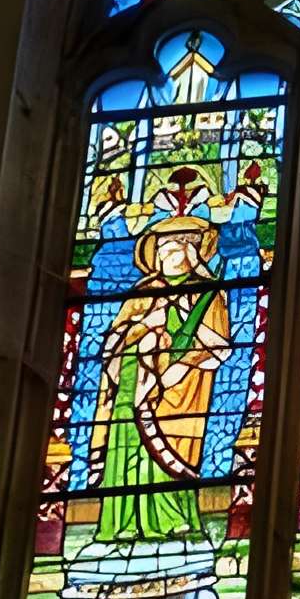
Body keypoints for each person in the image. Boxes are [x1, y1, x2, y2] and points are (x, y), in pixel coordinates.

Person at [87, 207, 234, 543]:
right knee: (128, 446)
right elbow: (113, 340)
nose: (175, 251)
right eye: (168, 245)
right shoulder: (143, 291)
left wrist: (173, 364)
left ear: (197, 251)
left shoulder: (209, 294)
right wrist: (142, 329)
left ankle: (172, 519)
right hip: (131, 384)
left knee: (171, 452)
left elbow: (218, 346)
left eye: (185, 244)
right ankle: (121, 522)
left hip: (182, 389)